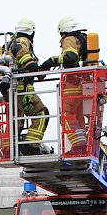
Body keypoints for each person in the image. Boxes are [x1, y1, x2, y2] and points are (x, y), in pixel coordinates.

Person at [39, 17, 89, 154]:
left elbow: (70, 58)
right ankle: (82, 145)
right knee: (77, 117)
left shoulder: (69, 39)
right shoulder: (82, 39)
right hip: (83, 84)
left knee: (67, 116)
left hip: (72, 83)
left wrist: (52, 61)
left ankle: (78, 146)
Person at [4, 18, 50, 155]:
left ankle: (10, 147)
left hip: (13, 90)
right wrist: (32, 65)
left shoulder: (10, 42)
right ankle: (31, 145)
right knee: (42, 114)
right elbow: (20, 51)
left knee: (16, 120)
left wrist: (38, 71)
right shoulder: (22, 41)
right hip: (21, 89)